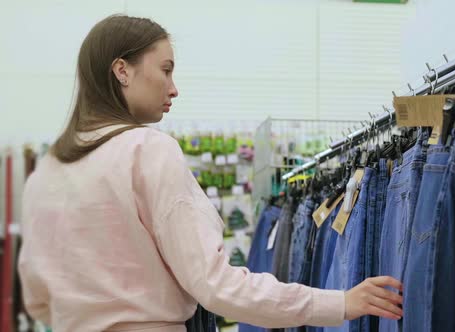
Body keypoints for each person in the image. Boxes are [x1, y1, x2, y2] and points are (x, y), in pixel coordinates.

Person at [17, 15, 403, 332]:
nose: (174, 88)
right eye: (165, 70)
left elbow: (36, 298)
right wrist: (338, 302)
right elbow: (217, 285)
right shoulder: (147, 150)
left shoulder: (47, 173)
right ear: (122, 70)